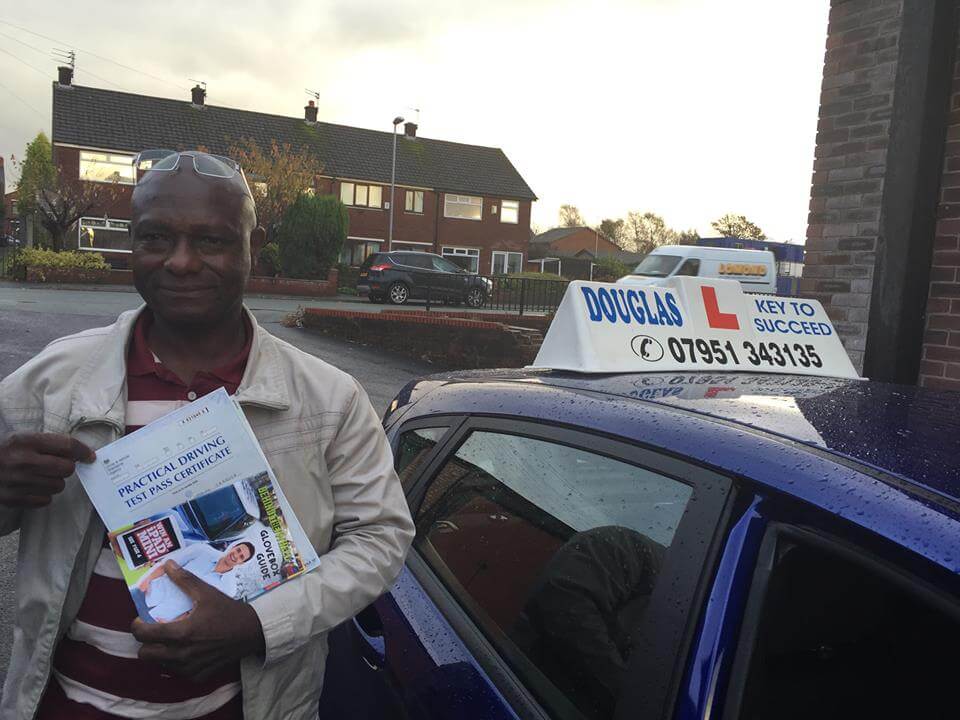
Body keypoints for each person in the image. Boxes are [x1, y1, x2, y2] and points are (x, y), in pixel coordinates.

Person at [0, 151, 415, 720]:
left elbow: (381, 538)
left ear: (255, 245)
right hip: (66, 704)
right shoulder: (52, 380)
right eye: (155, 237)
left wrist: (257, 624)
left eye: (212, 241)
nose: (181, 262)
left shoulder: (328, 398)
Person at [132, 541, 256, 623]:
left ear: (242, 563)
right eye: (238, 550)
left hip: (159, 618)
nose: (236, 555)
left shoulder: (229, 589)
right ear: (233, 546)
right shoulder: (202, 550)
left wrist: (172, 624)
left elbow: (200, 614)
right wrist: (144, 583)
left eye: (241, 557)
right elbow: (165, 564)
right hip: (145, 592)